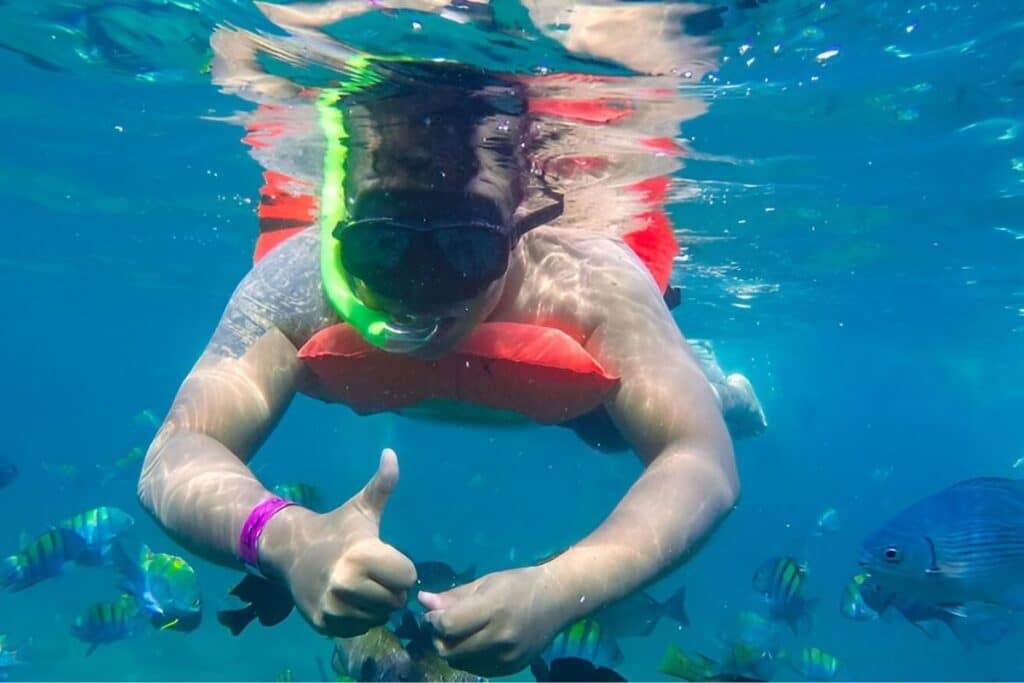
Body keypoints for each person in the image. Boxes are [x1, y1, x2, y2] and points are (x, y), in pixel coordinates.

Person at [138, 0, 766, 676]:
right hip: (516, 384)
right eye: (382, 247)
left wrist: (560, 588)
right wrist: (287, 541)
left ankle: (718, 387)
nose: (420, 292)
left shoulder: (587, 282)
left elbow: (700, 459)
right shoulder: (295, 286)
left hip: (575, 402)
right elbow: (174, 454)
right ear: (340, 216)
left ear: (522, 218)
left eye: (464, 250)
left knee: (624, 428)